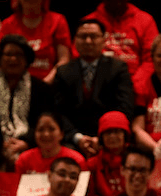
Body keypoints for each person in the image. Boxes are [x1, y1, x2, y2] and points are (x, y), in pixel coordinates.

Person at [52, 18, 135, 156]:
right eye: (83, 37)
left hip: (110, 136)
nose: (88, 41)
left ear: (103, 40)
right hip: (73, 140)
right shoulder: (63, 72)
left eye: (94, 36)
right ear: (75, 40)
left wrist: (103, 136)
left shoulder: (118, 69)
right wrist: (77, 138)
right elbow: (58, 112)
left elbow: (125, 107)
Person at [0, 34, 54, 158]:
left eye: (19, 55)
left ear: (27, 60)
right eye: (8, 54)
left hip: (31, 146)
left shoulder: (42, 89)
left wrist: (26, 142)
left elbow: (46, 121)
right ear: (0, 58)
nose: (13, 59)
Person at [0, 0, 71, 83]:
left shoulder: (57, 20)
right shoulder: (8, 24)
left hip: (49, 85)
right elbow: (1, 63)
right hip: (15, 85)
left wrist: (44, 84)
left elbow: (64, 59)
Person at [85, 0, 159, 79]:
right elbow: (81, 59)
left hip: (134, 83)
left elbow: (151, 60)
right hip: (98, 82)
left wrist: (132, 86)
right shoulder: (88, 24)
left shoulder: (145, 21)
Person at [14, 111, 84, 176]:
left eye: (51, 129)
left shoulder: (76, 160)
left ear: (61, 134)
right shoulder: (24, 160)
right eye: (41, 129)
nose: (46, 134)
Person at [84, 111, 129, 196]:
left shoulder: (136, 160)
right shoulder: (92, 164)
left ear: (125, 134)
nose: (112, 136)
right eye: (108, 132)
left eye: (116, 131)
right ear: (101, 137)